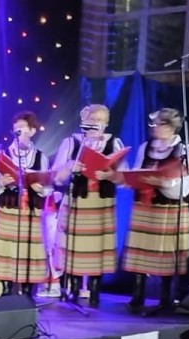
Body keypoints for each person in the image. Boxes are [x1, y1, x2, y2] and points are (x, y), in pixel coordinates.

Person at [123, 108, 189, 314]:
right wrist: (135, 179)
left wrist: (163, 182)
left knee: (166, 253)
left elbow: (185, 184)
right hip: (145, 206)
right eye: (153, 124)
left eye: (158, 124)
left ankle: (165, 298)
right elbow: (138, 170)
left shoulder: (184, 150)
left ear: (171, 127)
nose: (154, 128)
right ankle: (137, 296)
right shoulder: (146, 147)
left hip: (168, 207)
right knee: (140, 251)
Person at [52, 104, 126, 307]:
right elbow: (56, 177)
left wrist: (110, 174)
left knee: (98, 247)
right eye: (91, 120)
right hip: (77, 199)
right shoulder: (71, 142)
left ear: (106, 124)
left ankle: (94, 292)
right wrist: (69, 167)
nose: (95, 124)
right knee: (74, 247)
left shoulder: (114, 143)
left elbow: (124, 178)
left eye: (99, 120)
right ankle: (73, 290)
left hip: (101, 201)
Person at [0, 111, 51, 299]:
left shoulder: (40, 157)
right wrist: (1, 183)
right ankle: (6, 290)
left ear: (32, 131)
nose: (18, 132)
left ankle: (28, 292)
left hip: (31, 209)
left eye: (23, 128)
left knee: (30, 249)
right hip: (10, 206)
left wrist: (40, 188)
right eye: (16, 128)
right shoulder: (3, 154)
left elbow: (49, 186)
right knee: (7, 248)